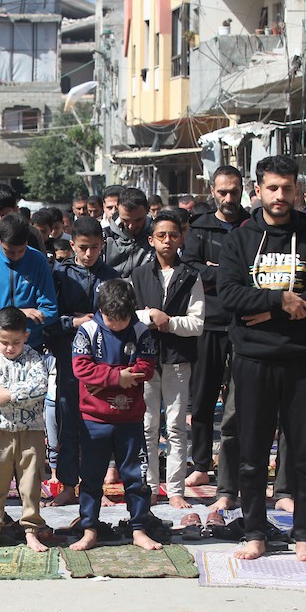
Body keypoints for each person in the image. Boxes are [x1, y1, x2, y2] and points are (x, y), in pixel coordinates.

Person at [216, 154, 306, 562]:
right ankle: (255, 532)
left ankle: (305, 533)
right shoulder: (241, 238)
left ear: (297, 191)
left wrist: (271, 310)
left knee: (304, 452)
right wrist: (281, 301)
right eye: (272, 188)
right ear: (258, 190)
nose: (280, 195)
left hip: (304, 358)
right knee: (252, 453)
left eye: (287, 188)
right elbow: (229, 294)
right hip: (254, 359)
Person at [68, 279, 161, 552]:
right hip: (94, 419)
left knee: (136, 477)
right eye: (111, 320)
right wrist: (117, 377)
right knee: (91, 477)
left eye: (122, 320)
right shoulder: (87, 330)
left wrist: (111, 378)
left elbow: (146, 367)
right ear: (101, 311)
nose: (117, 325)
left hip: (130, 419)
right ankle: (89, 527)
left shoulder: (141, 331)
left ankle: (139, 527)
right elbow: (81, 368)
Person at [182, 165, 248, 495]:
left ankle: (236, 463)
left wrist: (217, 273)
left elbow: (254, 272)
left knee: (242, 398)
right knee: (203, 397)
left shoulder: (253, 225)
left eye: (234, 191)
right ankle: (201, 464)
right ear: (212, 191)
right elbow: (190, 268)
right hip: (207, 321)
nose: (228, 198)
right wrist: (226, 275)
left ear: (243, 190)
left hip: (244, 321)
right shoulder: (199, 227)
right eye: (222, 192)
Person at [132, 212, 204, 510]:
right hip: (146, 358)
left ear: (181, 239)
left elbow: (197, 323)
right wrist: (150, 316)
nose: (167, 241)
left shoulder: (190, 276)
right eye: (161, 235)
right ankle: (150, 486)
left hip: (177, 358)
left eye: (173, 235)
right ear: (151, 240)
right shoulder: (139, 274)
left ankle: (175, 488)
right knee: (148, 425)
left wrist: (169, 322)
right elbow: (130, 315)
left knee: (175, 426)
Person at [47, 216, 118, 503]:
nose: (89, 254)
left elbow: (120, 317)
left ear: (103, 245)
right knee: (69, 421)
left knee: (99, 424)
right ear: (72, 244)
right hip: (69, 357)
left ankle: (94, 487)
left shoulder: (110, 276)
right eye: (83, 247)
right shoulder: (60, 275)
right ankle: (67, 484)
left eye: (95, 248)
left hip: (103, 359)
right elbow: (49, 320)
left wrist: (98, 323)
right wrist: (73, 322)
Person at [0, 307, 54, 552]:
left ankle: (31, 530)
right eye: (5, 342)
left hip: (31, 430)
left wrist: (10, 395)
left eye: (16, 342)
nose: (10, 348)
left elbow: (40, 386)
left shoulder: (34, 357)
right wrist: (20, 393)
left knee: (30, 482)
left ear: (26, 336)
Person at [0, 213, 58, 350]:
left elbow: (50, 311)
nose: (16, 256)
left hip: (30, 346)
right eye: (9, 251)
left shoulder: (38, 261)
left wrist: (3, 326)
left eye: (21, 251)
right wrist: (20, 314)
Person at [102, 187, 153, 278]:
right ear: (118, 210)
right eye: (125, 220)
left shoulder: (157, 236)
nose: (131, 226)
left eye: (138, 220)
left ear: (148, 210)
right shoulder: (106, 237)